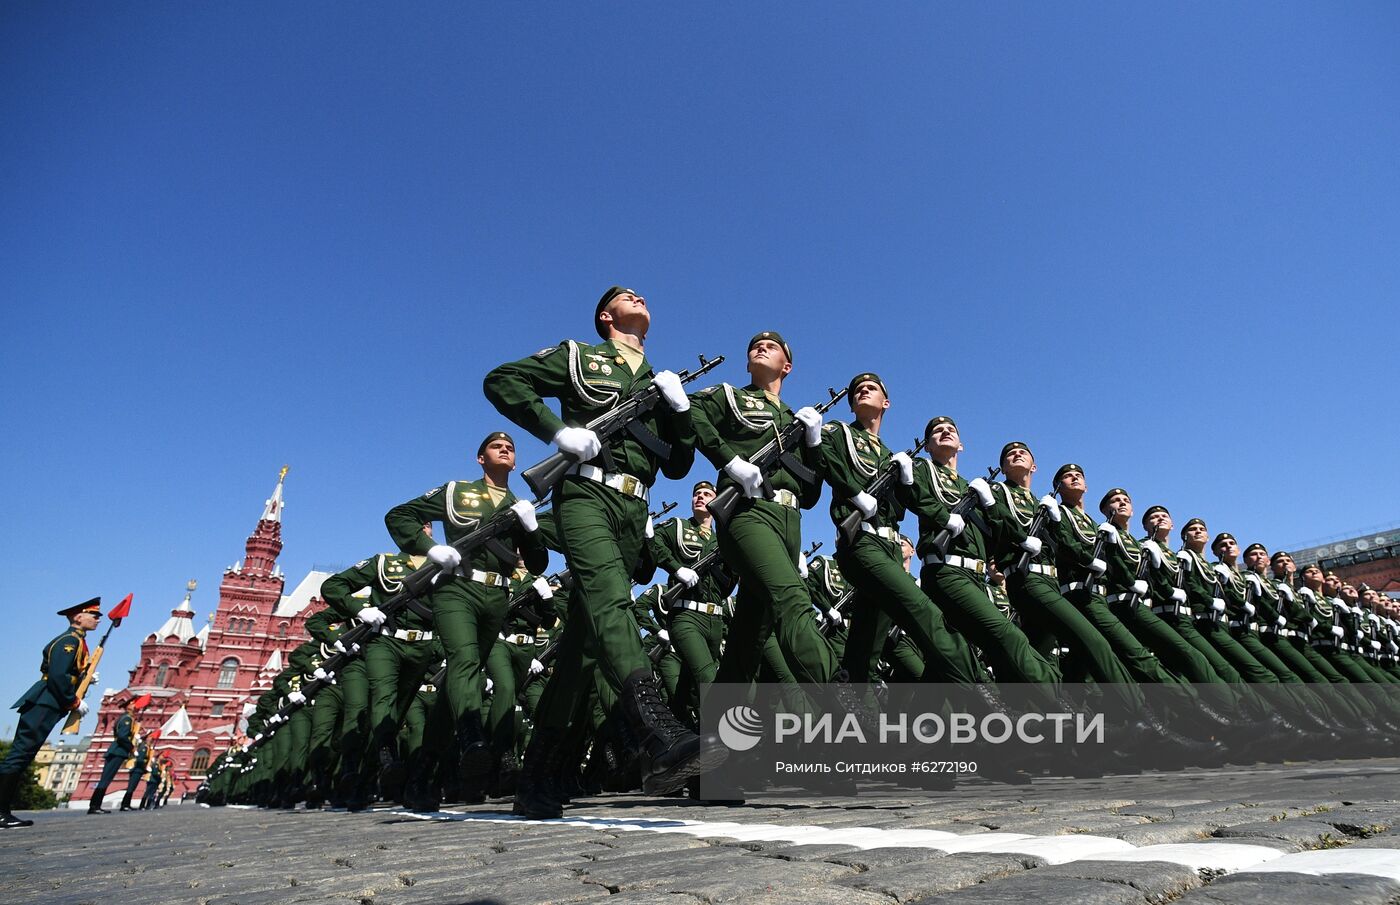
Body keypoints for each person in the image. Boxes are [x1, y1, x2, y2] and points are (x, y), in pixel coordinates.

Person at [484, 286, 705, 817]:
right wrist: (558, 431)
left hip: (636, 508)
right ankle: (655, 732)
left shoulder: (658, 381)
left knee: (583, 648)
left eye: (644, 294)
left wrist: (678, 410)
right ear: (606, 316)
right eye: (626, 295)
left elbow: (677, 466)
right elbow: (502, 380)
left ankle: (537, 776)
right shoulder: (580, 356)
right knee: (610, 600)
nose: (641, 297)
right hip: (585, 493)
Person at [385, 432, 549, 798]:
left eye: (510, 448)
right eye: (496, 446)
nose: (505, 449)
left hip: (497, 597)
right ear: (480, 458)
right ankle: (473, 736)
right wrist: (431, 548)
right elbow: (400, 515)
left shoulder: (518, 504)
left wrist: (533, 528)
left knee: (456, 686)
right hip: (457, 588)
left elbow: (537, 564)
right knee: (465, 661)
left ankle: (422, 776)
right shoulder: (456, 491)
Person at [690, 332, 833, 688]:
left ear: (787, 366)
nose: (760, 347)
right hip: (748, 511)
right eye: (755, 345)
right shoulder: (731, 396)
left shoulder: (796, 421)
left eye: (772, 347)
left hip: (790, 521)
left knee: (751, 631)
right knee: (792, 598)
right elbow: (688, 411)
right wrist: (730, 461)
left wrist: (813, 443)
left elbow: (812, 493)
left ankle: (720, 730)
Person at [1, 598, 100, 829]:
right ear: (78, 617)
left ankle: (3, 811)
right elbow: (57, 675)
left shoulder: (77, 641)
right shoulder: (69, 640)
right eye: (93, 615)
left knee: (23, 756)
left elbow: (67, 673)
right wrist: (74, 701)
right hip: (45, 702)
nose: (97, 619)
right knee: (19, 755)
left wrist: (85, 678)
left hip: (50, 703)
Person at [90, 697, 141, 814]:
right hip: (117, 751)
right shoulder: (127, 719)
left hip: (118, 751)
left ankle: (95, 805)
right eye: (133, 704)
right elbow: (122, 736)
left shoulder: (128, 719)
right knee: (105, 779)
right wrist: (131, 747)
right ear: (127, 706)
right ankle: (94, 806)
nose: (135, 706)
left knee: (106, 779)